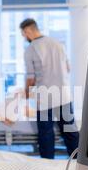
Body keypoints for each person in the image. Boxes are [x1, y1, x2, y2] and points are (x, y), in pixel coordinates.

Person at [20, 18, 80, 159]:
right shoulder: (58, 44)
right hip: (63, 95)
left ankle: (47, 168)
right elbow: (68, 68)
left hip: (46, 98)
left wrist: (27, 93)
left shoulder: (30, 49)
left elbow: (31, 78)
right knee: (70, 132)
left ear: (27, 31)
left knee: (46, 135)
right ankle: (79, 164)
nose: (24, 37)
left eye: (23, 34)